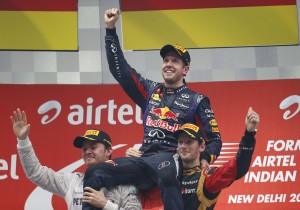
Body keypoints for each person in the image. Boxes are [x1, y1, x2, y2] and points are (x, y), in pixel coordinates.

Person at [83, 8, 223, 210]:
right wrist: (110, 30)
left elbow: (215, 139)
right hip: (143, 160)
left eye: (175, 61)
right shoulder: (150, 90)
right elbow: (121, 71)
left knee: (166, 170)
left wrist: (204, 158)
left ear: (185, 70)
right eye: (166, 60)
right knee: (95, 172)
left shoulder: (197, 100)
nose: (168, 64)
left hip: (171, 160)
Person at [10, 108, 142, 210]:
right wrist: (23, 140)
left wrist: (106, 204)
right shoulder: (73, 181)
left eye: (93, 147)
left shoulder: (124, 184)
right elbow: (36, 173)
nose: (88, 151)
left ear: (109, 151)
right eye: (84, 148)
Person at [176, 107, 259, 209]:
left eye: (189, 142)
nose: (183, 146)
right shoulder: (168, 173)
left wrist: (249, 134)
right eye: (180, 142)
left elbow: (238, 167)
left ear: (202, 146)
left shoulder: (207, 178)